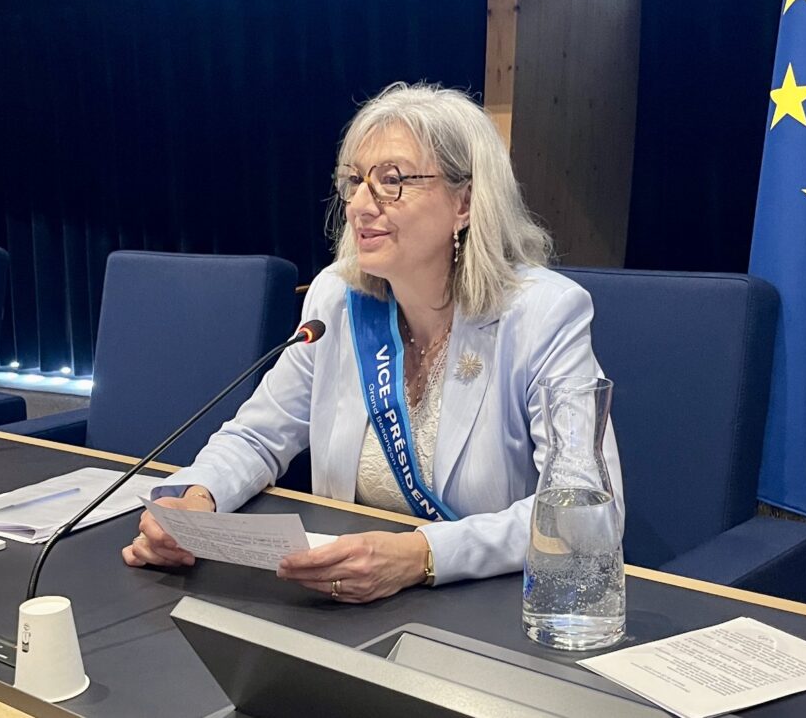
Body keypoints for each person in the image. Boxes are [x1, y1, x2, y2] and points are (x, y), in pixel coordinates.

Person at [122, 81, 623, 603]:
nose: (361, 205)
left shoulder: (543, 314)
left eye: (392, 181)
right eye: (355, 181)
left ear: (465, 202)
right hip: (343, 597)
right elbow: (256, 437)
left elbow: (584, 511)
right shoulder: (336, 300)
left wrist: (422, 555)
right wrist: (196, 498)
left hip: (490, 605)